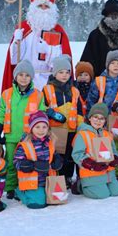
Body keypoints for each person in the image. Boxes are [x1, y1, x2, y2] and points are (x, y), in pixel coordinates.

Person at [2, 0, 72, 91]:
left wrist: (48, 50)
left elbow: (63, 60)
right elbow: (14, 60)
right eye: (40, 5)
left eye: (47, 6)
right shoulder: (23, 28)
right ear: (33, 7)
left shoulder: (58, 31)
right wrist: (16, 42)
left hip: (51, 84)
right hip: (26, 81)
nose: (43, 9)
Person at [0, 60, 46, 200]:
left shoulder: (38, 95)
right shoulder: (7, 94)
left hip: (29, 138)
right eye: (21, 74)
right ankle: (10, 187)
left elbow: (41, 115)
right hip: (11, 136)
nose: (24, 78)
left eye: (27, 75)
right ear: (15, 76)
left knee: (26, 163)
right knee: (10, 163)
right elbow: (2, 113)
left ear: (31, 77)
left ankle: (23, 186)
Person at [42, 56, 84, 184]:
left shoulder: (74, 90)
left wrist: (81, 127)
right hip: (55, 129)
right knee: (58, 155)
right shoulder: (47, 89)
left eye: (67, 72)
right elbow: (42, 107)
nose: (64, 75)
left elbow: (79, 110)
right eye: (61, 72)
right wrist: (51, 113)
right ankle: (58, 177)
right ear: (55, 73)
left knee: (70, 155)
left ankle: (68, 177)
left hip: (72, 129)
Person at [86, 50, 118, 154]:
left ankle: (116, 168)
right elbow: (91, 100)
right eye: (112, 63)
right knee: (101, 147)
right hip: (100, 120)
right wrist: (90, 118)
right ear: (107, 65)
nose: (115, 66)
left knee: (116, 147)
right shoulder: (99, 80)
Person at [71, 103, 118, 199]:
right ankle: (81, 186)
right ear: (90, 118)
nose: (98, 121)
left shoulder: (107, 134)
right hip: (91, 173)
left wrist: (115, 159)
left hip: (108, 173)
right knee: (103, 194)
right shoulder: (82, 134)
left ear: (105, 121)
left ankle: (106, 184)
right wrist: (91, 164)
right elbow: (77, 154)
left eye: (102, 118)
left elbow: (114, 151)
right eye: (95, 117)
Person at [13, 111, 64, 209]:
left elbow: (54, 154)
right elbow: (16, 162)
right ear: (31, 128)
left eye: (44, 127)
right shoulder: (25, 144)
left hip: (49, 180)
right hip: (33, 182)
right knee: (38, 204)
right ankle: (20, 191)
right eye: (37, 127)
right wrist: (31, 165)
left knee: (56, 200)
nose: (41, 130)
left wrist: (57, 160)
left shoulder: (50, 142)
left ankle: (40, 193)